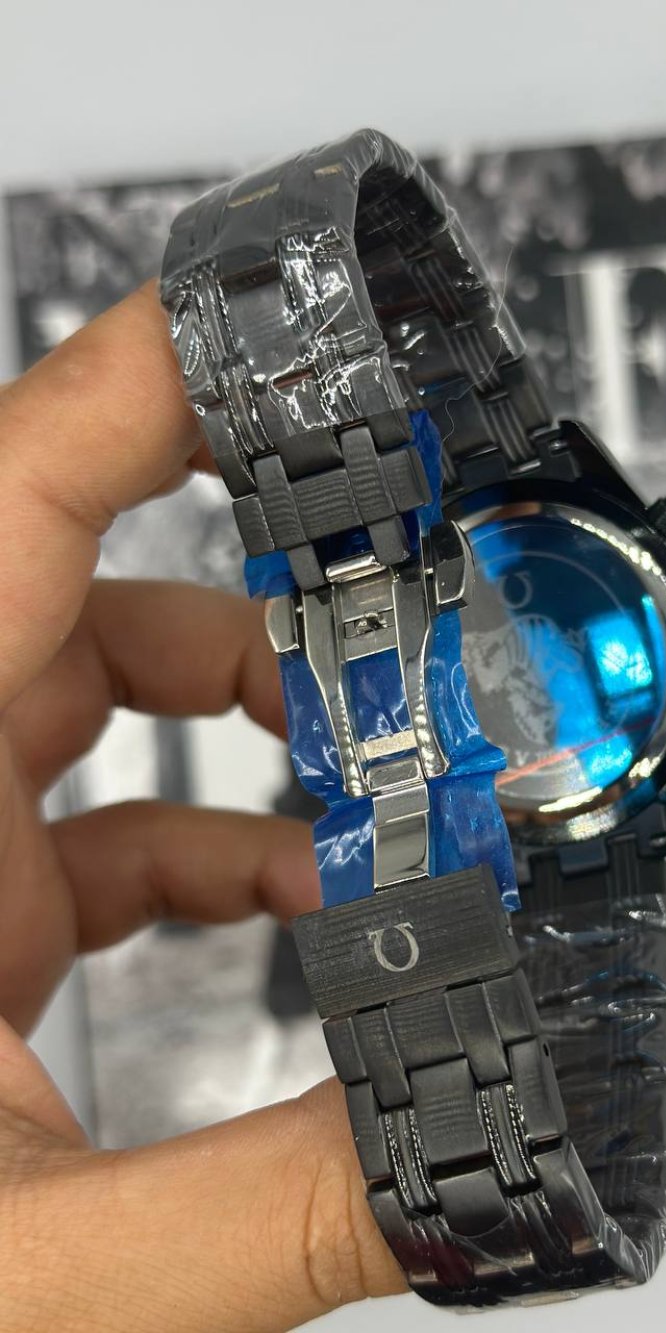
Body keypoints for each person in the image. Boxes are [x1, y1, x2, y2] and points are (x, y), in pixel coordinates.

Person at [0, 283, 406, 1330]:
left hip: (336, 819)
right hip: (322, 818)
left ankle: (284, 1047)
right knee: (297, 952)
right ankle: (278, 1049)